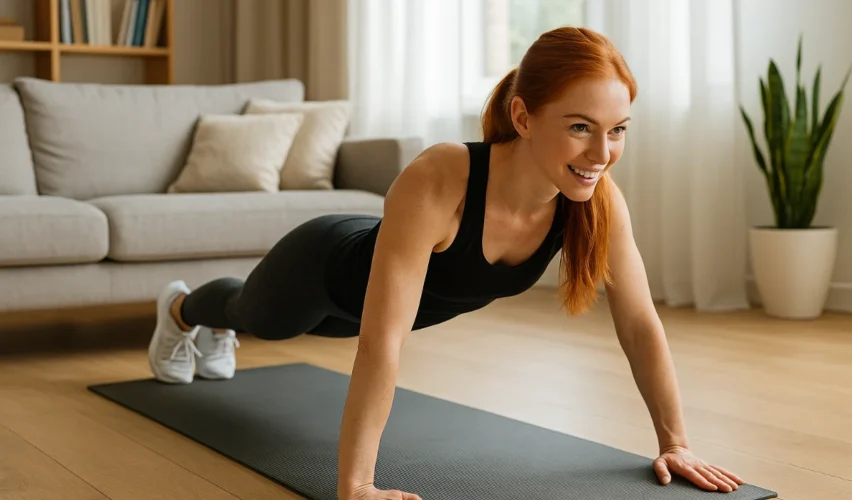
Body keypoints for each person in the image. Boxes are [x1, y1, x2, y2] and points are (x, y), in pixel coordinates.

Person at [146, 26, 746, 500]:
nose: (601, 153)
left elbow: (639, 323)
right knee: (256, 316)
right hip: (324, 267)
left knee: (307, 327)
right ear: (523, 117)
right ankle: (180, 309)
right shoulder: (443, 177)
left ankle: (212, 320)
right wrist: (355, 485)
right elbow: (383, 344)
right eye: (581, 128)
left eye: (618, 130)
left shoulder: (594, 200)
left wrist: (676, 443)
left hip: (365, 308)